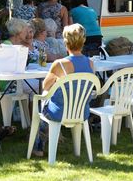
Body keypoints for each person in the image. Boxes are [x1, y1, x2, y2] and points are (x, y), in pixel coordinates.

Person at [32, 24, 94, 156]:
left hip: (59, 112)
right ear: (83, 41)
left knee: (44, 96)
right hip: (81, 111)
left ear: (65, 42)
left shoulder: (60, 64)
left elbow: (45, 86)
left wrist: (57, 81)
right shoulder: (90, 63)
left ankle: (39, 146)